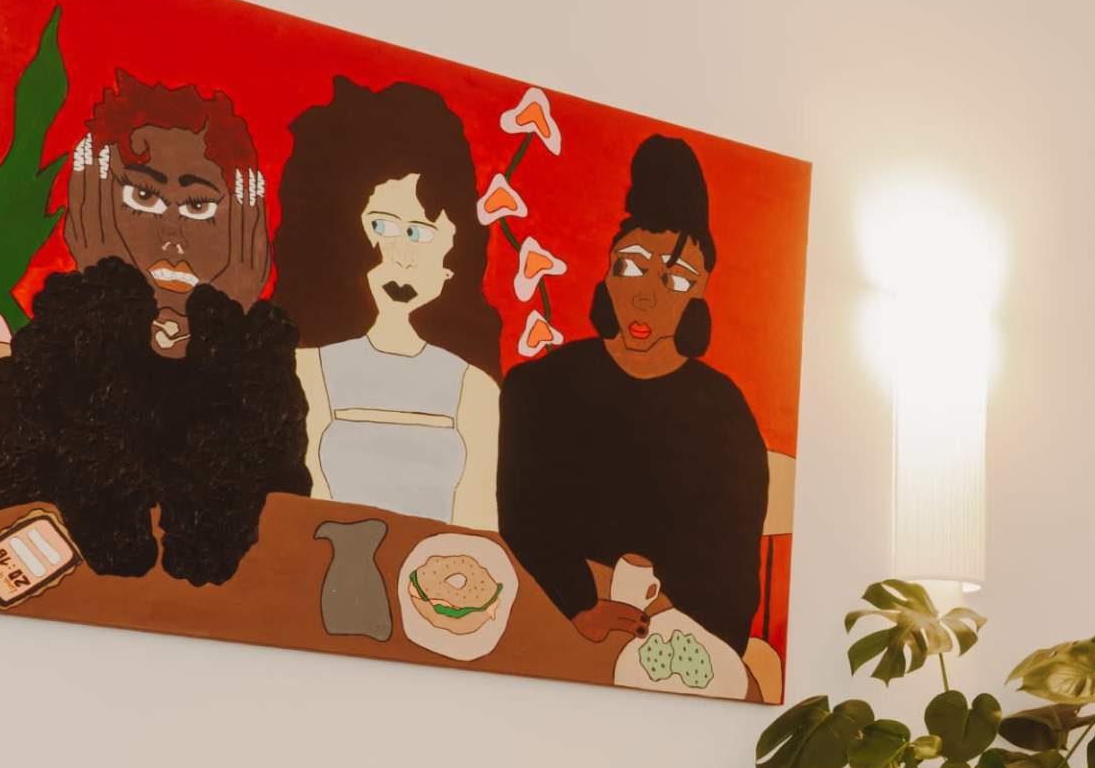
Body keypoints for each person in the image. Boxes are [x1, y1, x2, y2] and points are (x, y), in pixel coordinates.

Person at [0, 72, 308, 587]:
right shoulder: (61, 344)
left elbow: (255, 553)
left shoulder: (256, 362)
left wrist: (223, 333)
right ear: (95, 201)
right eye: (142, 196)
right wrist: (109, 305)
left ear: (241, 222)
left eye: (201, 206)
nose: (172, 234)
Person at [495, 134, 768, 650]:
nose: (647, 294)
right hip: (551, 618)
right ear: (608, 272)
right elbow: (523, 520)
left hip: (673, 640)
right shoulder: (540, 387)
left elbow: (731, 567)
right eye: (632, 266)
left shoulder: (723, 412)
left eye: (676, 279)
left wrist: (672, 621)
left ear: (701, 292)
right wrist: (578, 603)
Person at [273, 79, 507, 526]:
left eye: (420, 232)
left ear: (453, 248)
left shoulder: (473, 388)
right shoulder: (305, 368)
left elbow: (479, 529)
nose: (401, 254)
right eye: (382, 227)